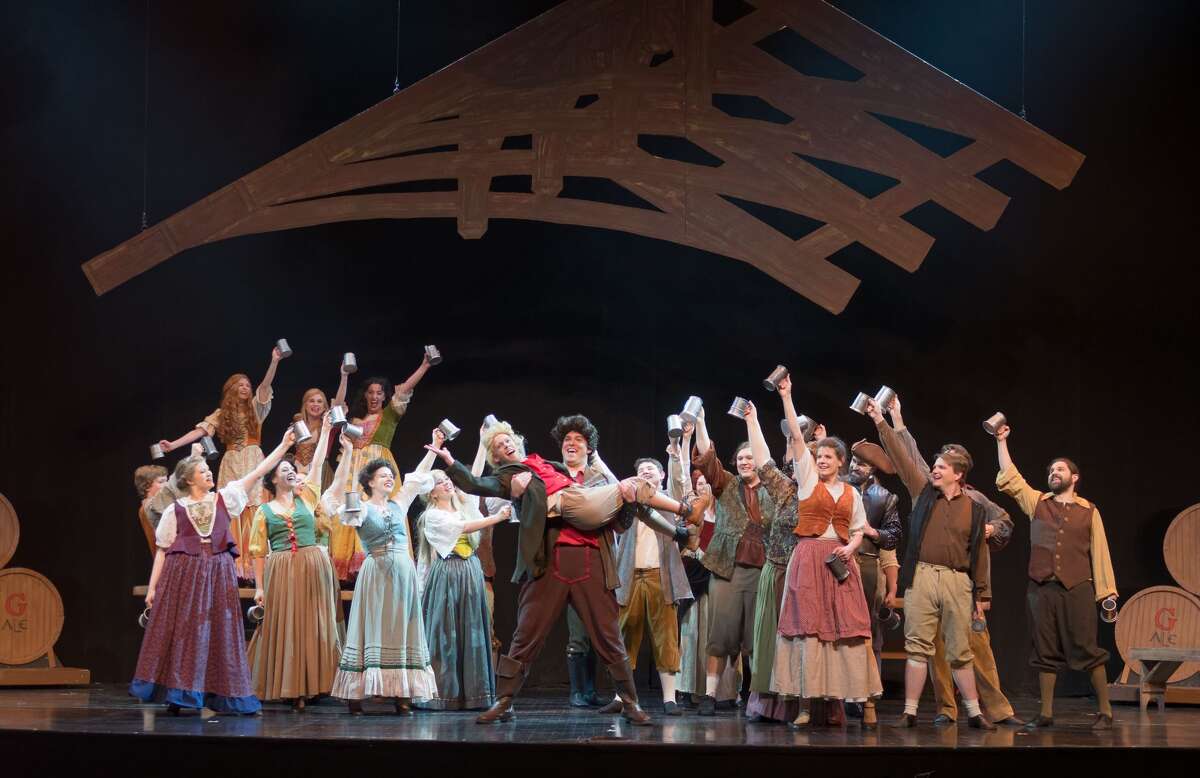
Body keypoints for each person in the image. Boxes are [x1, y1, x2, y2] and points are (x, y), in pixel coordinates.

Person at [428, 417, 702, 726]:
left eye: (509, 441)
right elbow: (483, 486)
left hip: (591, 559)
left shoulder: (554, 468)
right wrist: (461, 466)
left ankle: (629, 701)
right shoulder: (512, 476)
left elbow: (617, 518)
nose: (507, 446)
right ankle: (503, 701)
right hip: (549, 561)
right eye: (499, 446)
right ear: (497, 457)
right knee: (526, 634)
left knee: (609, 634)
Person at [870, 397, 1022, 727]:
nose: (937, 467)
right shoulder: (928, 491)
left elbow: (1007, 523)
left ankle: (996, 709)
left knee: (974, 648)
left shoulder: (976, 500)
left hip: (960, 583)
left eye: (945, 463)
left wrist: (991, 529)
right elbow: (909, 457)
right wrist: (893, 418)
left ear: (959, 471)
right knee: (935, 651)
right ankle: (947, 708)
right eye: (938, 462)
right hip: (927, 579)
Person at [131, 428, 296, 715]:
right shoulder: (175, 510)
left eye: (209, 470)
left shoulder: (225, 498)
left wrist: (282, 446)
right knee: (185, 631)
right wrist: (154, 587)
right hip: (183, 573)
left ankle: (224, 693)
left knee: (220, 631)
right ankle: (180, 693)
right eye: (203, 470)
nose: (209, 474)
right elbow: (162, 549)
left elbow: (257, 472)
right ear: (187, 479)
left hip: (218, 571)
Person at [760, 383, 882, 728]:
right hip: (808, 560)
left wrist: (851, 547)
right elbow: (798, 442)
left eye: (829, 456)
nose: (823, 460)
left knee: (849, 630)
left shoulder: (850, 493)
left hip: (840, 563)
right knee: (807, 631)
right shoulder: (807, 483)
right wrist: (786, 397)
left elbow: (859, 529)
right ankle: (804, 705)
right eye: (820, 456)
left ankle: (866, 701)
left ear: (841, 462)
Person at [995, 422, 1117, 731]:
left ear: (1074, 478)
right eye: (1051, 470)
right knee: (1044, 650)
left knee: (1088, 649)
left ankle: (1105, 711)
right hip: (1041, 589)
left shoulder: (1089, 510)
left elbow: (1100, 552)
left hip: (1078, 588)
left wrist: (1107, 593)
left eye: (1060, 470)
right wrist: (1001, 440)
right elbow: (1011, 478)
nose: (1054, 473)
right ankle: (1046, 713)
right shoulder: (1038, 503)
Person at [323, 436, 437, 714]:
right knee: (371, 626)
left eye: (390, 476)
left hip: (403, 572)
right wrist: (349, 455)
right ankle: (357, 693)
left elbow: (416, 478)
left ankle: (402, 691)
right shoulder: (362, 507)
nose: (389, 479)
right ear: (370, 481)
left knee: (402, 627)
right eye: (383, 475)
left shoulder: (399, 504)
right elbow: (342, 505)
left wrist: (433, 448)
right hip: (377, 571)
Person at [156, 346, 285, 580]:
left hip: (253, 458)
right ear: (231, 389)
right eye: (241, 384)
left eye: (248, 384)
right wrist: (173, 445)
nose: (246, 388)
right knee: (231, 509)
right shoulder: (220, 414)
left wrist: (274, 362)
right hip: (231, 462)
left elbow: (265, 388)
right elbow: (200, 431)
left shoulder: (256, 409)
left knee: (254, 508)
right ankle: (236, 566)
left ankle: (256, 569)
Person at [691, 406, 785, 716]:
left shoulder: (775, 491)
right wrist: (702, 422)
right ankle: (710, 695)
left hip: (763, 571)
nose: (745, 462)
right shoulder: (728, 484)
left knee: (757, 639)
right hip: (727, 570)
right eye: (741, 459)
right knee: (720, 637)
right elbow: (706, 458)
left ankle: (758, 701)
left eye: (750, 458)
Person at [245, 416, 342, 710]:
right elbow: (258, 552)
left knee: (313, 624)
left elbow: (315, 467)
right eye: (284, 470)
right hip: (282, 569)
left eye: (291, 469)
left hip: (312, 566)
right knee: (286, 626)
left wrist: (325, 431)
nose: (290, 472)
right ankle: (290, 686)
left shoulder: (307, 496)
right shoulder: (264, 511)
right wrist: (260, 588)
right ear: (273, 480)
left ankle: (316, 684)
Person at [414, 428, 514, 711]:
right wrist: (495, 518)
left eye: (447, 480)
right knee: (446, 633)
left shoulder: (462, 506)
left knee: (472, 631)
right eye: (441, 482)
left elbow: (474, 480)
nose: (447, 484)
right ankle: (444, 694)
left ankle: (475, 694)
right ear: (431, 493)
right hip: (447, 574)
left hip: (470, 571)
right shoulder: (431, 516)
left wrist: (482, 443)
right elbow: (462, 528)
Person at [599, 455, 692, 716]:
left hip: (660, 577)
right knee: (624, 637)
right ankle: (621, 697)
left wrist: (676, 450)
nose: (646, 473)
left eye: (651, 470)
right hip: (629, 577)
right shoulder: (625, 502)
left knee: (666, 638)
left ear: (660, 476)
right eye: (641, 471)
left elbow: (679, 477)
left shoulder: (668, 500)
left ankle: (669, 699)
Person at [328, 353, 432, 582]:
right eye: (371, 392)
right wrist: (344, 376)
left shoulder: (389, 415)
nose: (375, 396)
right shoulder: (353, 420)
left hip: (379, 465)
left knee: (380, 508)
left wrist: (424, 364)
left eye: (379, 392)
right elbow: (335, 408)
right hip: (354, 469)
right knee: (352, 507)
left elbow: (404, 389)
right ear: (365, 395)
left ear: (384, 396)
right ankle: (351, 571)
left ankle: (378, 557)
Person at [670, 427, 744, 710]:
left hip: (722, 577)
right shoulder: (691, 508)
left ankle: (724, 691)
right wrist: (683, 441)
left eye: (705, 481)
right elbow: (681, 475)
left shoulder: (726, 507)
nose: (702, 485)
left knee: (722, 634)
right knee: (692, 634)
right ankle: (687, 688)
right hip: (696, 579)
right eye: (697, 482)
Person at [291, 360, 349, 491]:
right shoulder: (298, 424)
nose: (315, 404)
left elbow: (338, 404)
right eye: (311, 401)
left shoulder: (327, 425)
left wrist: (344, 376)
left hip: (320, 474)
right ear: (305, 405)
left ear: (324, 406)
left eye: (319, 402)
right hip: (299, 474)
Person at [133, 465, 169, 557]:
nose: (167, 485)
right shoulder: (150, 506)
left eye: (166, 481)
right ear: (147, 486)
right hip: (168, 559)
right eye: (161, 482)